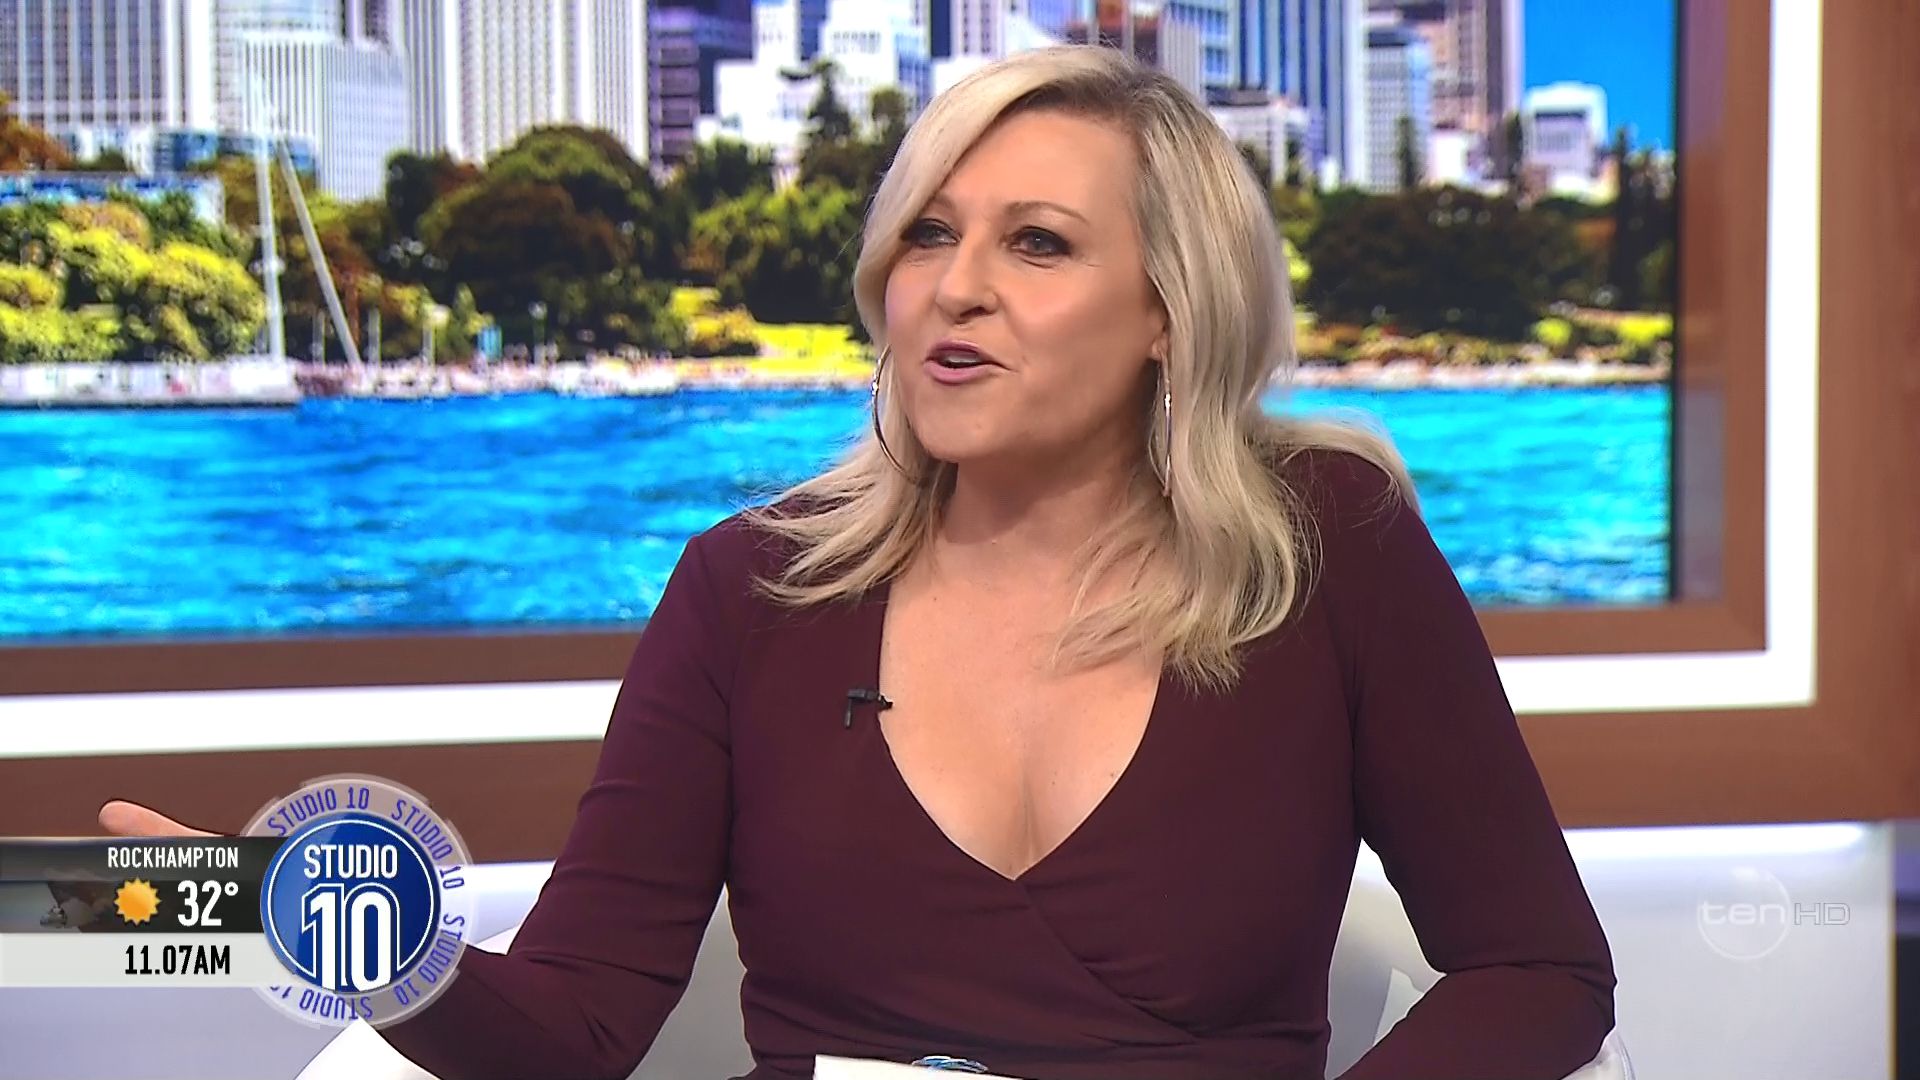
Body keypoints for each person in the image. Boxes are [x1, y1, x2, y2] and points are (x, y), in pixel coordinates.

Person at [102, 45, 1614, 1080]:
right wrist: (313, 924)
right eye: (926, 237)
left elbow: (1537, 972)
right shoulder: (750, 591)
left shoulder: (1327, 549)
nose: (955, 288)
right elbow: (573, 1026)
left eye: (1037, 243)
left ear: (1171, 308)